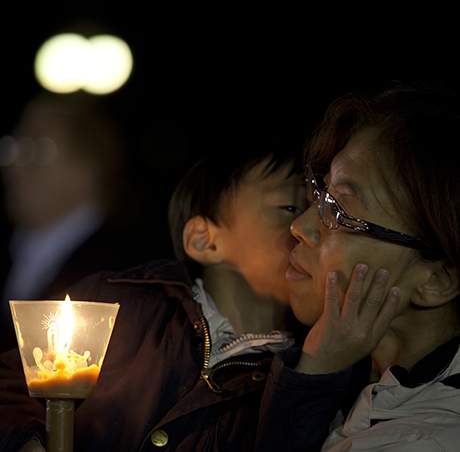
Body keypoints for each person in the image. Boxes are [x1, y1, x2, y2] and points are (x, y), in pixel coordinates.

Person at [0, 128, 310, 451]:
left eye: (324, 216)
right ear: (206, 241)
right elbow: (10, 383)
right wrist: (28, 441)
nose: (308, 229)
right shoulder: (122, 309)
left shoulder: (299, 379)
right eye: (290, 208)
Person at [257, 84, 460, 451]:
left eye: (341, 213)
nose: (300, 227)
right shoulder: (366, 381)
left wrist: (310, 379)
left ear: (437, 279)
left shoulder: (426, 439)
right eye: (320, 195)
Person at [0, 91, 157, 353]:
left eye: (36, 149)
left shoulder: (121, 276)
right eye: (13, 147)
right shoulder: (13, 253)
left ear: (88, 168)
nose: (13, 165)